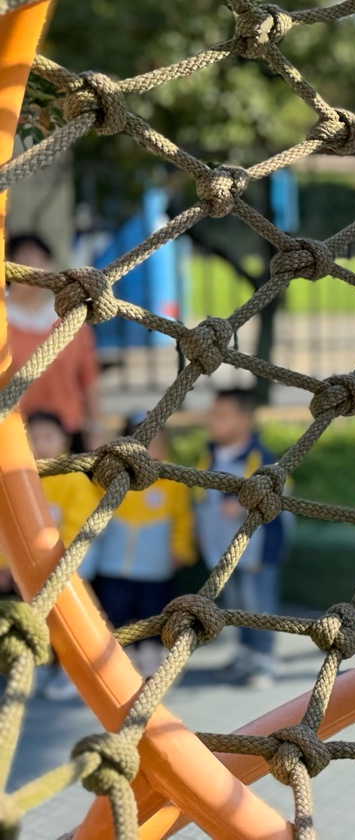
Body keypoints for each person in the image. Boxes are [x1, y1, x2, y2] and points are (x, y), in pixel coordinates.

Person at [88, 414, 195, 678]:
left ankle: (151, 660)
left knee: (153, 614)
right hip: (114, 565)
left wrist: (181, 549)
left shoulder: (172, 478)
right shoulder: (113, 477)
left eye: (156, 441)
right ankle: (121, 662)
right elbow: (92, 503)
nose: (149, 449)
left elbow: (182, 518)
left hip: (154, 567)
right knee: (114, 613)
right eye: (142, 443)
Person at [193, 388, 282, 689]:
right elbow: (201, 500)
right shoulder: (208, 455)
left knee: (258, 605)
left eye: (222, 415)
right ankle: (245, 653)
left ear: (245, 420)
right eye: (212, 414)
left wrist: (242, 504)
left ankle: (264, 658)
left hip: (255, 551)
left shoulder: (261, 459)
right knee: (234, 604)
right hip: (221, 551)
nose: (213, 421)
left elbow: (278, 503)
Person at [26, 411, 99, 701]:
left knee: (73, 622)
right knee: (39, 622)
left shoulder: (73, 477)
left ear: (64, 440)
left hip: (69, 569)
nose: (40, 444)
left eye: (48, 436)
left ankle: (73, 673)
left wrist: (61, 561)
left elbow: (80, 523)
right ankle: (43, 666)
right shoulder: (21, 479)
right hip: (31, 570)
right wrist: (6, 564)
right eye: (33, 438)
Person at [6, 234, 103, 451]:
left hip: (68, 430)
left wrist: (95, 427)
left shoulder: (71, 320)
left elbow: (88, 378)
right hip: (13, 433)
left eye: (39, 262)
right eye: (24, 262)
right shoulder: (4, 321)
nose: (32, 270)